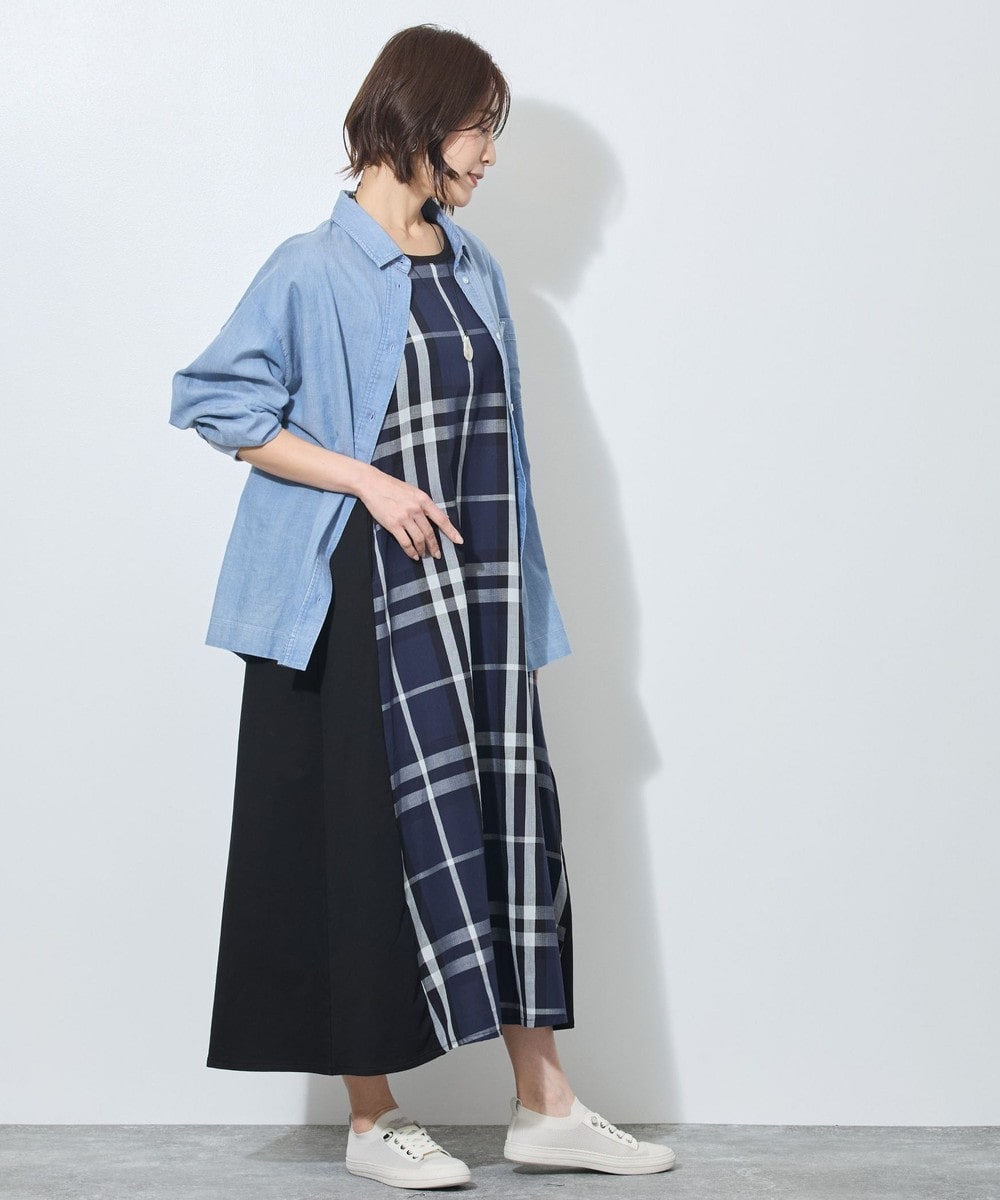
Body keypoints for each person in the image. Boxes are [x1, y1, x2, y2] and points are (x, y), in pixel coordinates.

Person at [170, 23, 676, 1190]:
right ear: (414, 119)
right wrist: (367, 480)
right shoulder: (311, 266)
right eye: (477, 128)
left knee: (510, 829)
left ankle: (545, 1105)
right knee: (363, 841)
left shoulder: (471, 263)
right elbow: (217, 402)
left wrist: (514, 590)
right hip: (356, 595)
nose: (489, 153)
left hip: (475, 593)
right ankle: (371, 1119)